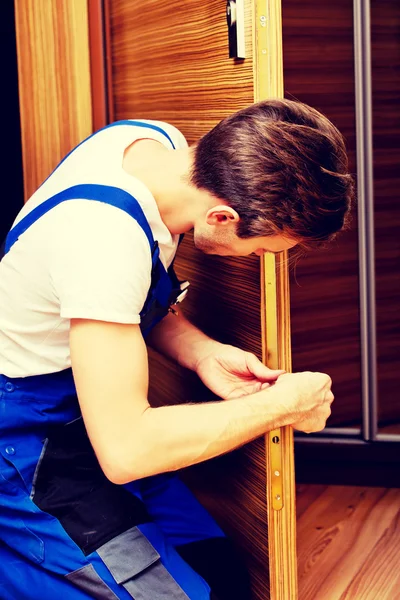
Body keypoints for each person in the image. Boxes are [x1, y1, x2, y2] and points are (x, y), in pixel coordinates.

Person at [0, 99, 353, 600]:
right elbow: (127, 451)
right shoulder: (100, 240)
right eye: (263, 249)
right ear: (223, 216)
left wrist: (202, 352)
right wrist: (281, 405)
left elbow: (124, 303)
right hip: (25, 444)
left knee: (219, 574)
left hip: (88, 409)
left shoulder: (159, 147)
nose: (257, 259)